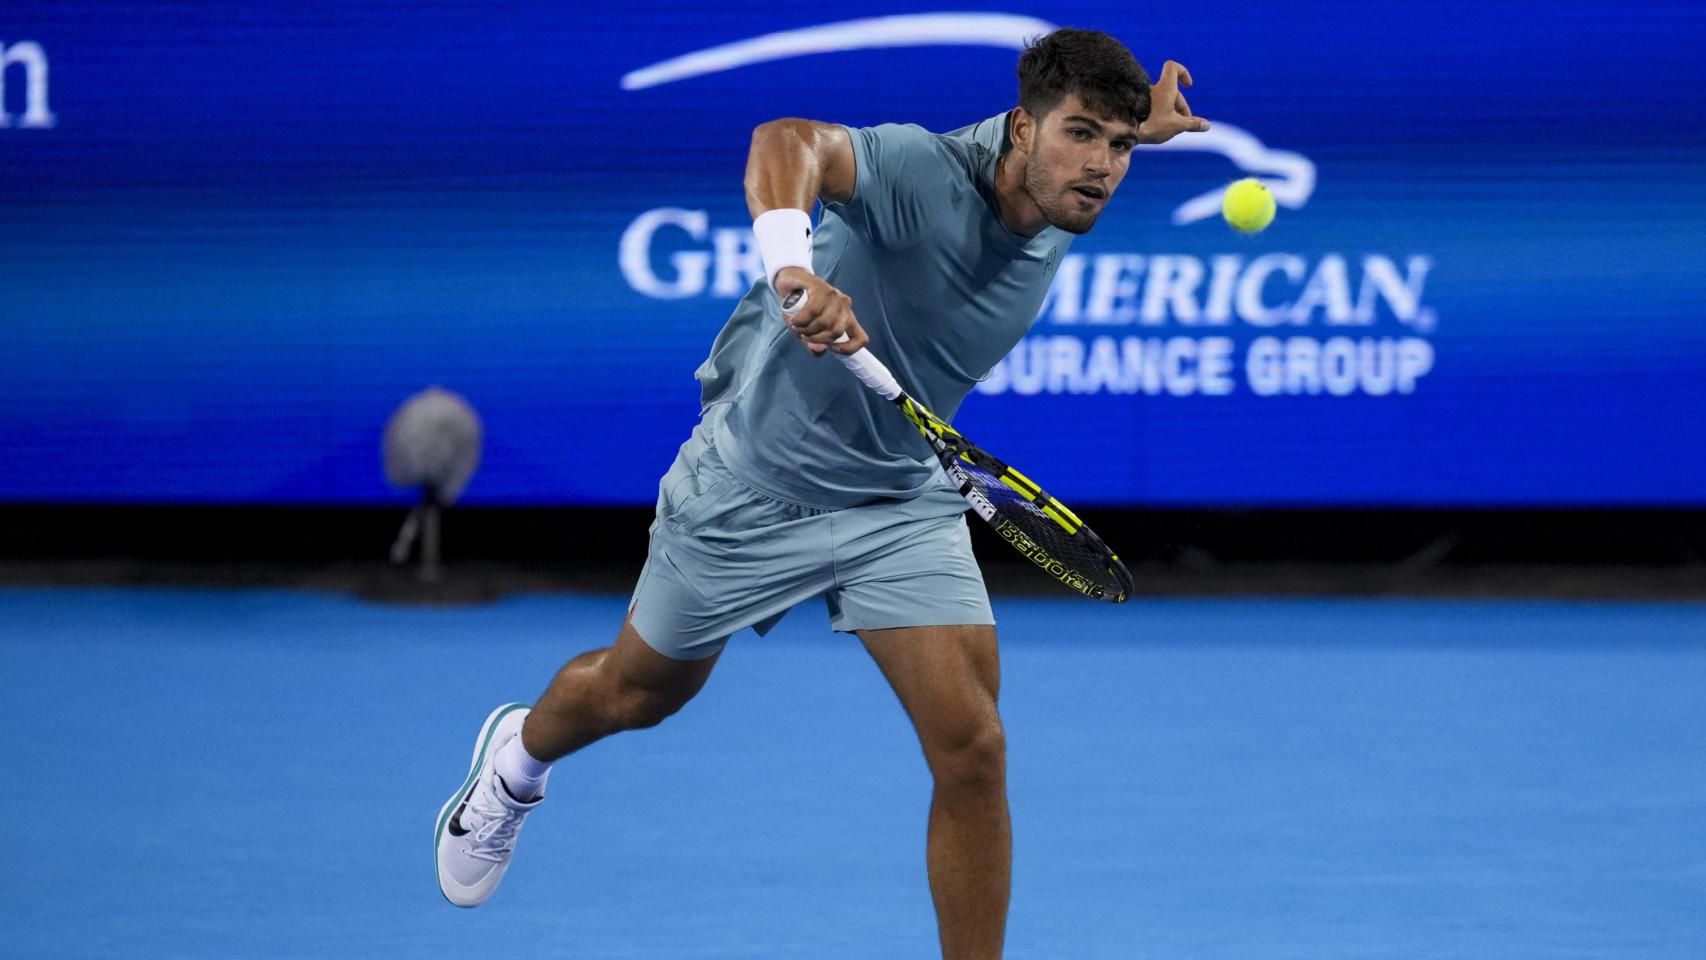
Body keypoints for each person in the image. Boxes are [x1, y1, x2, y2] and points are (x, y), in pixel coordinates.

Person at [435, 27, 1209, 959]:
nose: (1101, 166)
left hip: (898, 501)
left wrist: (1142, 124)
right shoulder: (922, 172)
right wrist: (793, 266)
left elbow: (1097, 143)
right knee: (637, 694)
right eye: (1081, 135)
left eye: (1118, 147)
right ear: (1019, 129)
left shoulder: (1065, 182)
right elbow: (784, 141)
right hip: (750, 488)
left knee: (974, 749)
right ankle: (516, 766)